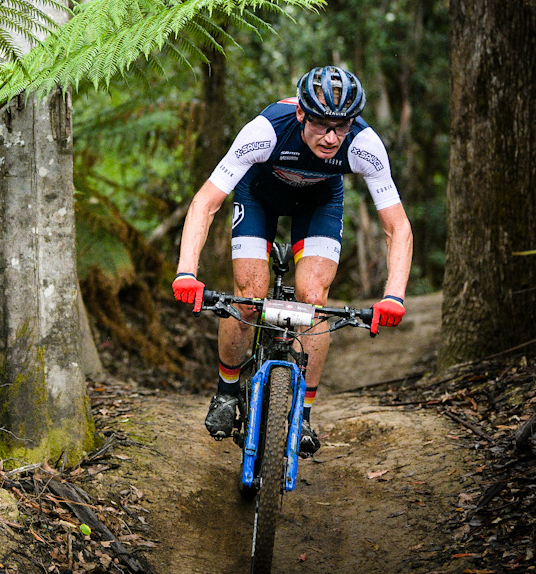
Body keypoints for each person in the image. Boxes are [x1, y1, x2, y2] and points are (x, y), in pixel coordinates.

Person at [172, 65, 412, 456]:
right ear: (301, 113)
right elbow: (205, 202)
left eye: (342, 125)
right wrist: (187, 272)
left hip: (318, 202)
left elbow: (397, 227)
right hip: (259, 197)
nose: (333, 137)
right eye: (321, 124)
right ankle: (227, 391)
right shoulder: (264, 132)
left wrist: (395, 295)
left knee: (312, 299)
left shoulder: (365, 144)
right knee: (250, 295)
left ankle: (302, 413)